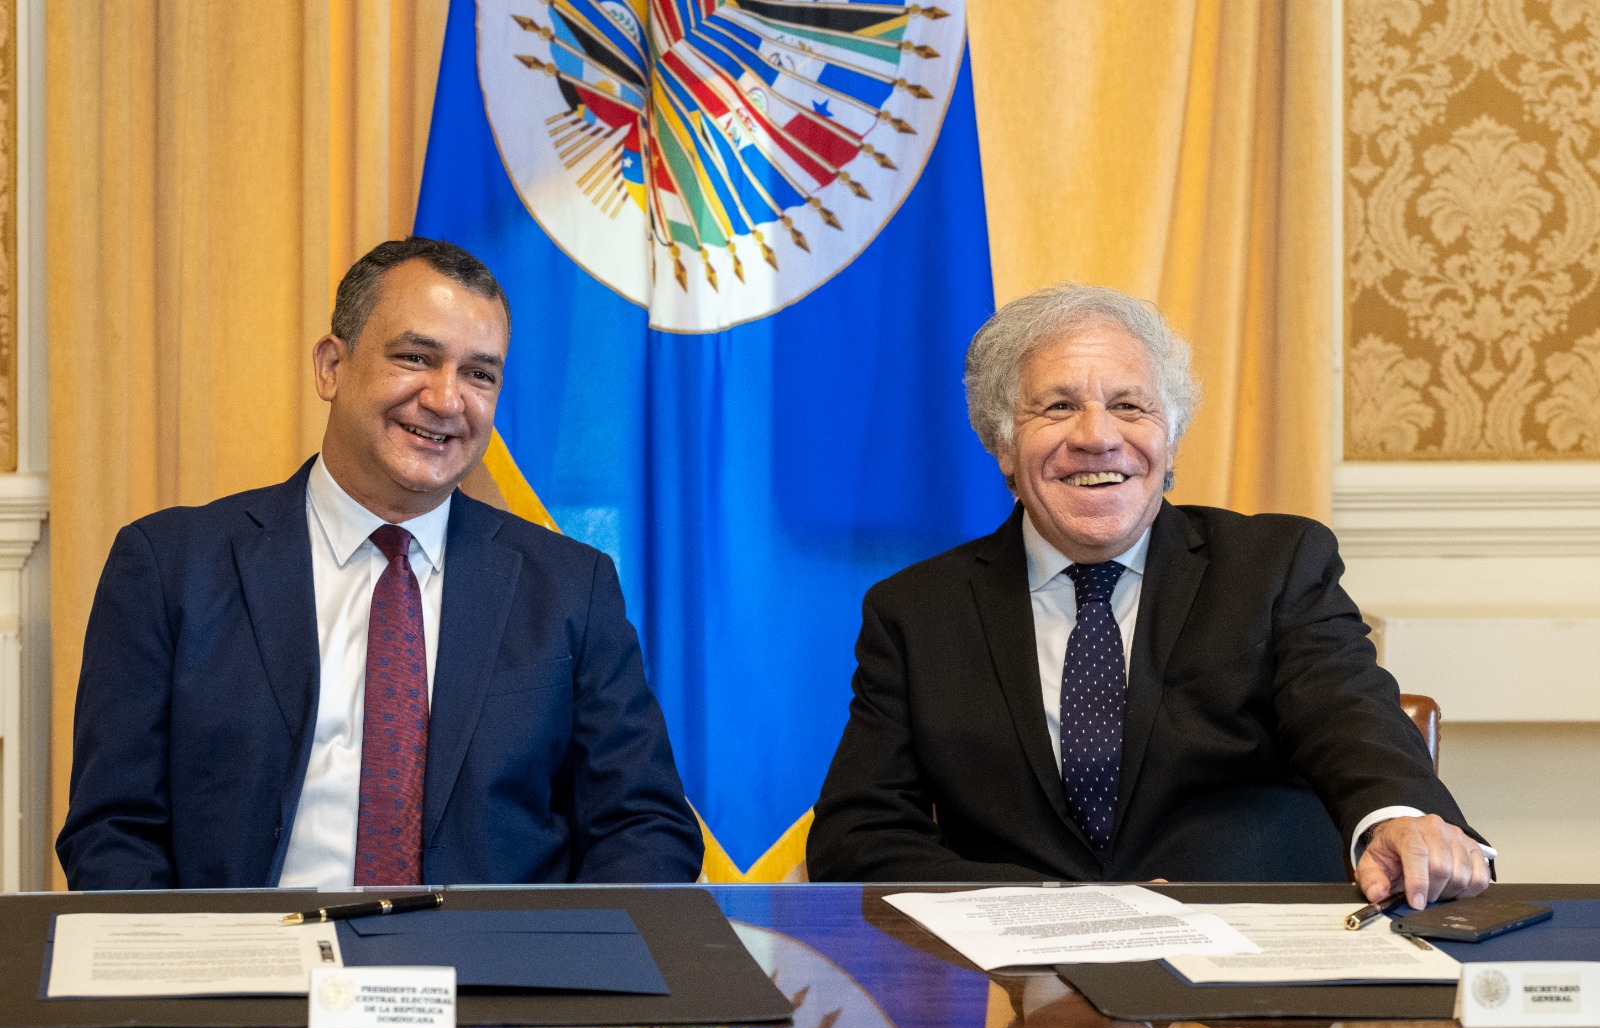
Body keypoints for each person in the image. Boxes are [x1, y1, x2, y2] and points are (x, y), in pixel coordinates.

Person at [807, 282, 1491, 908]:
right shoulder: (916, 612)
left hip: (1244, 981)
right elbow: (858, 839)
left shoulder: (1275, 566)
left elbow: (1348, 715)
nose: (1097, 437)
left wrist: (1398, 818)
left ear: (1170, 439)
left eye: (1129, 406)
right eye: (1058, 407)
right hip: (1019, 982)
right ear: (1003, 446)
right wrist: (1062, 909)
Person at [57, 237, 702, 889]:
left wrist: (564, 954)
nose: (447, 400)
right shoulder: (171, 568)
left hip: (488, 955)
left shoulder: (570, 588)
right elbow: (114, 830)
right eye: (416, 358)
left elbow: (643, 826)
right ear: (331, 367)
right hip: (251, 951)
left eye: (479, 374)